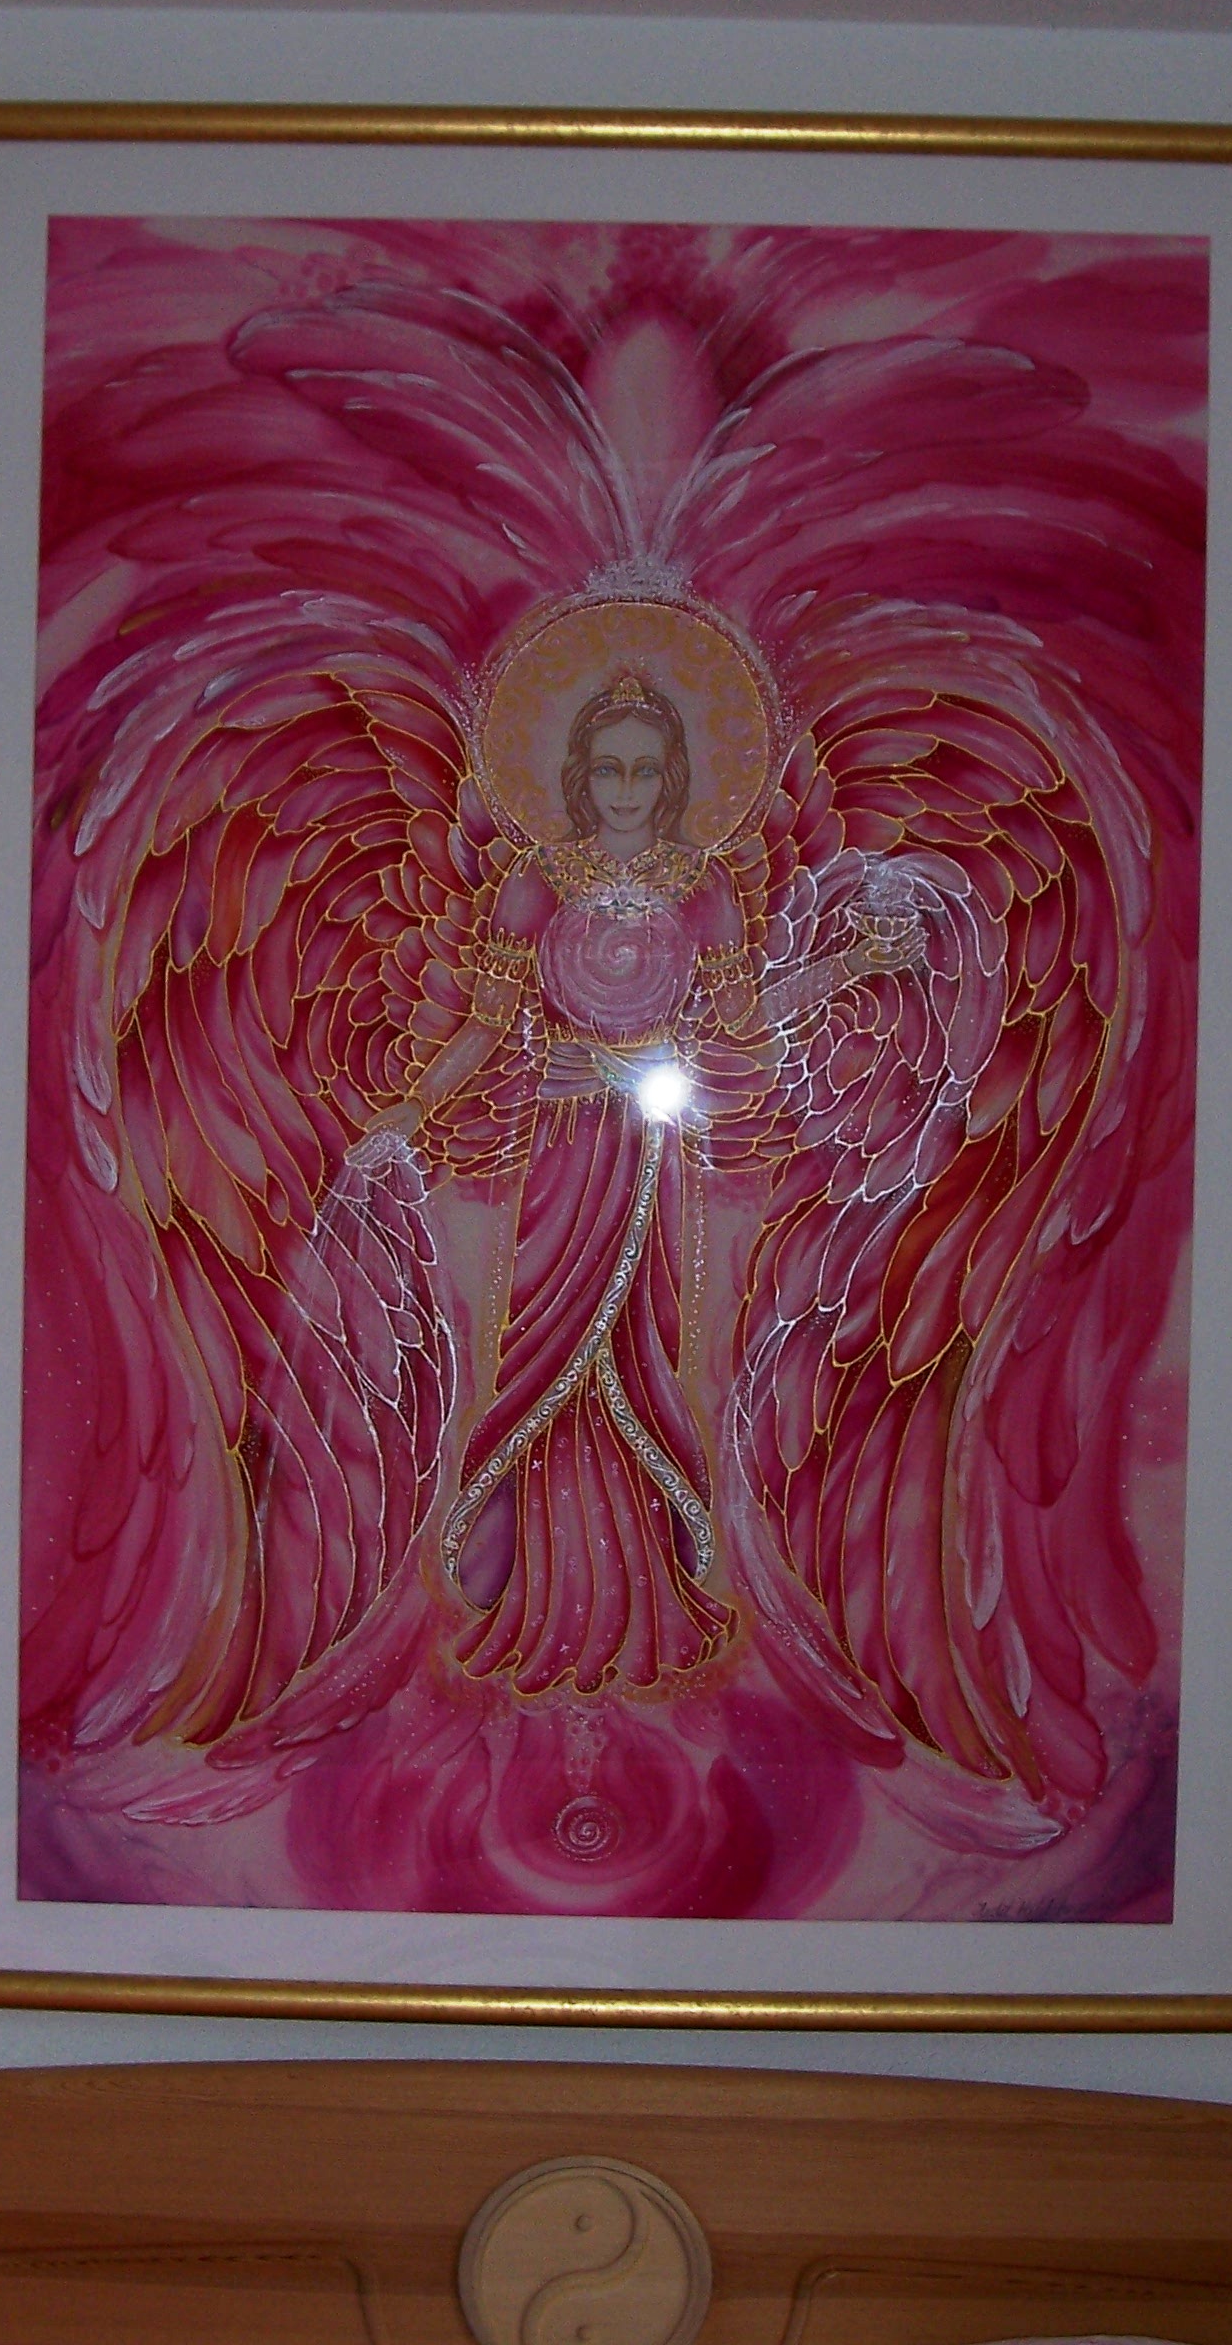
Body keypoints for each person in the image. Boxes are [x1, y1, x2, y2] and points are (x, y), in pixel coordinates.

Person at [355, 669, 916, 1697]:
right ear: (579, 777)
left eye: (644, 772)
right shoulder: (534, 882)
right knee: (544, 1338)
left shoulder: (703, 887)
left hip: (651, 1152)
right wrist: (413, 1110)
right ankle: (538, 1586)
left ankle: (640, 1583)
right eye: (608, 770)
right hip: (564, 1146)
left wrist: (851, 965)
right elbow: (484, 1026)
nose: (624, 790)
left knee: (637, 1343)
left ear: (672, 780)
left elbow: (742, 1020)